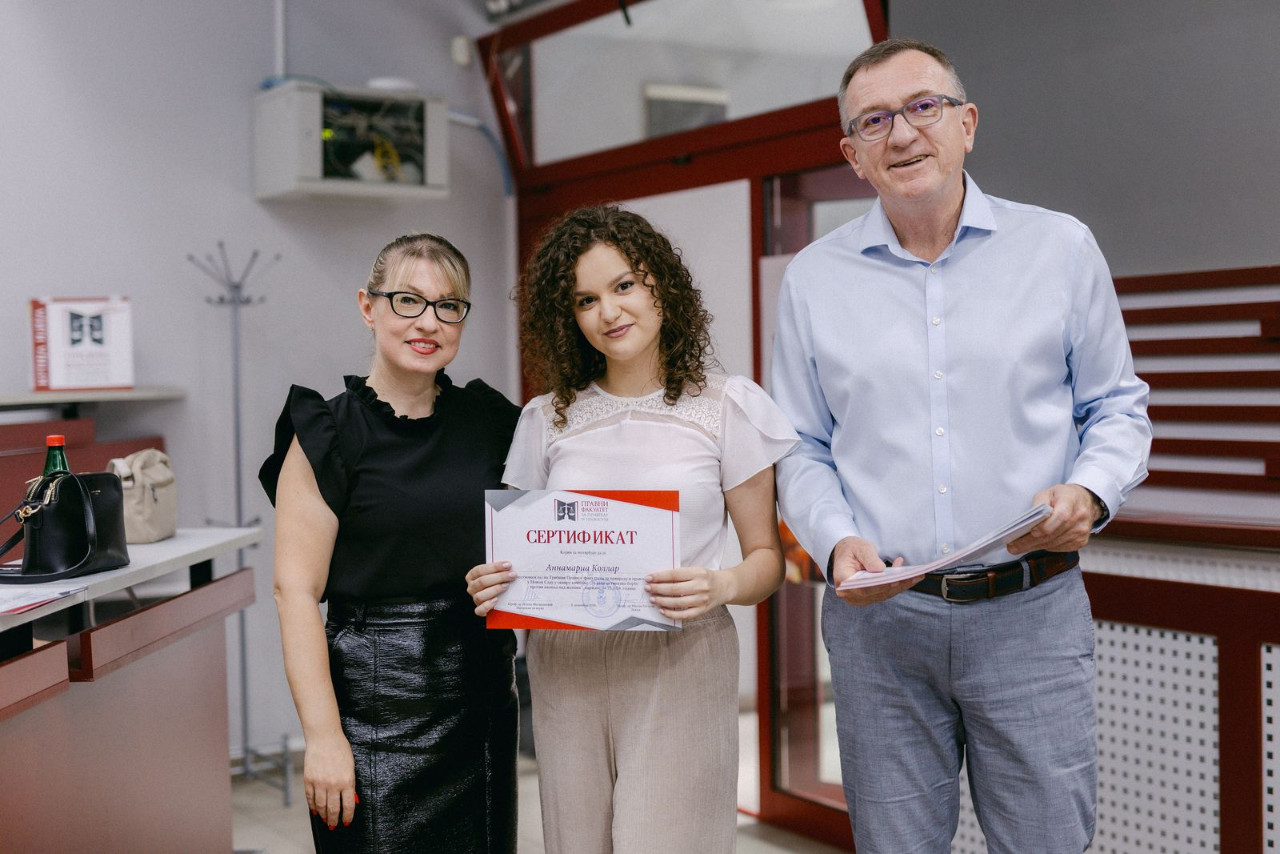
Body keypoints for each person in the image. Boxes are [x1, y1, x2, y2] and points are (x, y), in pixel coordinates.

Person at [770, 39, 1152, 853]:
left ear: (967, 123)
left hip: (1032, 614)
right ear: (853, 155)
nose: (902, 133)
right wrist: (834, 543)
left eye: (923, 107)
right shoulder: (813, 279)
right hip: (880, 629)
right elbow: (799, 443)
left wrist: (1089, 492)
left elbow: (1117, 408)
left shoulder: (1059, 249)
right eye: (874, 121)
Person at [466, 204, 798, 853]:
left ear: (660, 286)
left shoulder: (727, 406)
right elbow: (525, 554)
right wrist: (496, 581)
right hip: (566, 662)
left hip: (682, 655)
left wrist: (722, 584)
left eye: (623, 286)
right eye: (586, 300)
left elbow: (767, 559)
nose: (609, 312)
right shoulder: (546, 420)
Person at [259, 233, 520, 853]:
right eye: (408, 300)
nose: (428, 322)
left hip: (480, 704)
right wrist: (324, 738)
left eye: (448, 306)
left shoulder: (492, 423)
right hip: (371, 710)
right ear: (368, 307)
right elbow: (295, 593)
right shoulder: (327, 433)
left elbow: (544, 538)